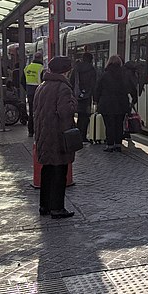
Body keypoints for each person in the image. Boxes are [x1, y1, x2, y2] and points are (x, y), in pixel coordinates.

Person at [33, 56, 77, 219]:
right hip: (58, 136)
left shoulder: (41, 86)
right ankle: (57, 208)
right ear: (65, 70)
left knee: (47, 171)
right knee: (60, 172)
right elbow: (65, 112)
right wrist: (73, 103)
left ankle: (44, 206)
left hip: (44, 135)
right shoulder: (63, 88)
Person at [94, 55, 137, 152]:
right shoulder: (125, 75)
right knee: (119, 125)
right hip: (121, 104)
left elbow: (98, 89)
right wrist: (133, 100)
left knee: (109, 125)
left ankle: (110, 145)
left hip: (106, 104)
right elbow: (132, 88)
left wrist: (96, 100)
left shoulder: (104, 75)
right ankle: (118, 144)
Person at [72, 52, 97, 142]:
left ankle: (77, 135)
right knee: (85, 117)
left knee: (79, 116)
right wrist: (95, 98)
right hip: (87, 97)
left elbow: (71, 82)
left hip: (77, 96)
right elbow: (93, 84)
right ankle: (83, 136)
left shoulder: (76, 68)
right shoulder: (92, 69)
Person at [23, 52, 44, 137]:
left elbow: (22, 81)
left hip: (30, 93)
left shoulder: (27, 68)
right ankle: (39, 130)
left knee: (31, 112)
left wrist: (27, 89)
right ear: (41, 58)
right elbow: (44, 81)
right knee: (40, 112)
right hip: (39, 93)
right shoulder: (41, 68)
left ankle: (31, 131)